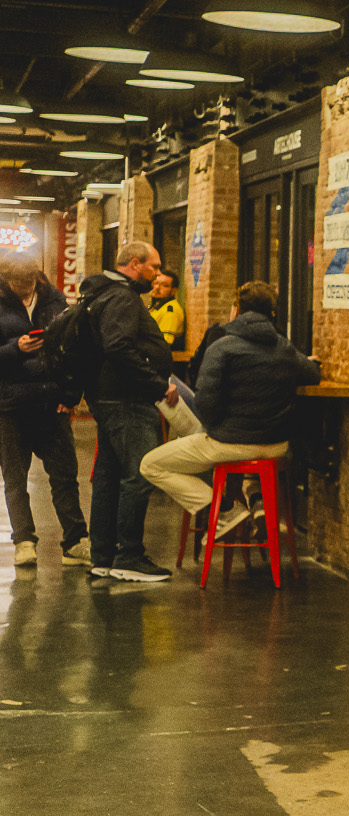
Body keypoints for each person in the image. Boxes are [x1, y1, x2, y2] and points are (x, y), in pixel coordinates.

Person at [141, 281, 319, 544]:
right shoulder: (283, 346)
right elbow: (313, 374)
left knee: (150, 465)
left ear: (237, 309)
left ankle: (225, 510)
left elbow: (205, 404)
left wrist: (215, 427)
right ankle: (253, 504)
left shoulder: (222, 346)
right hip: (277, 445)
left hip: (231, 444)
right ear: (272, 312)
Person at [77, 240, 172, 582]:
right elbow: (118, 346)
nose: (157, 274)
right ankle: (129, 556)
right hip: (127, 400)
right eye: (154, 267)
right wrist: (157, 384)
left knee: (109, 476)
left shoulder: (102, 293)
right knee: (139, 475)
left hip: (109, 398)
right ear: (134, 263)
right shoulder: (122, 297)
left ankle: (103, 556)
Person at [0, 257, 88, 567]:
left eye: (29, 283)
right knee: (15, 479)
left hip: (52, 402)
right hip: (10, 405)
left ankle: (75, 542)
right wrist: (15, 349)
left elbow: (74, 348)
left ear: (38, 277)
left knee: (65, 476)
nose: (24, 290)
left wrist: (71, 394)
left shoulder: (55, 300)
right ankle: (24, 542)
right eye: (17, 284)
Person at [148, 269, 185, 354]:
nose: (157, 288)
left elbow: (165, 343)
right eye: (156, 283)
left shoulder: (170, 311)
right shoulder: (158, 307)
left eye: (164, 285)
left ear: (173, 291)